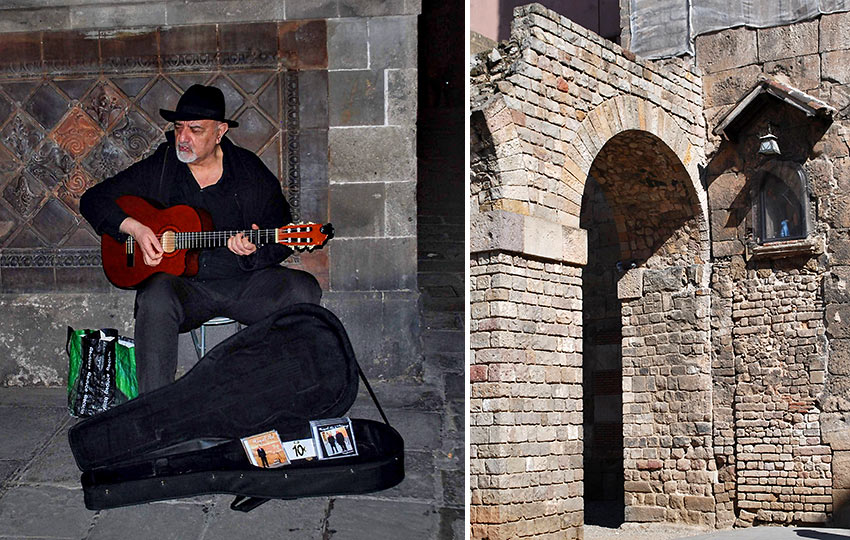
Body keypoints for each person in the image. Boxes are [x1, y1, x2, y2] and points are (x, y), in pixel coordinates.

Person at [80, 84, 322, 393]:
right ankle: (154, 410)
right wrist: (135, 229)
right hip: (185, 289)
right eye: (179, 128)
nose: (183, 138)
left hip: (242, 281)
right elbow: (93, 200)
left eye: (195, 130)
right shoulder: (163, 167)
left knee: (303, 289)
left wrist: (253, 252)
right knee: (153, 298)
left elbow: (282, 233)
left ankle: (286, 393)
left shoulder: (249, 172)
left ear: (220, 131)